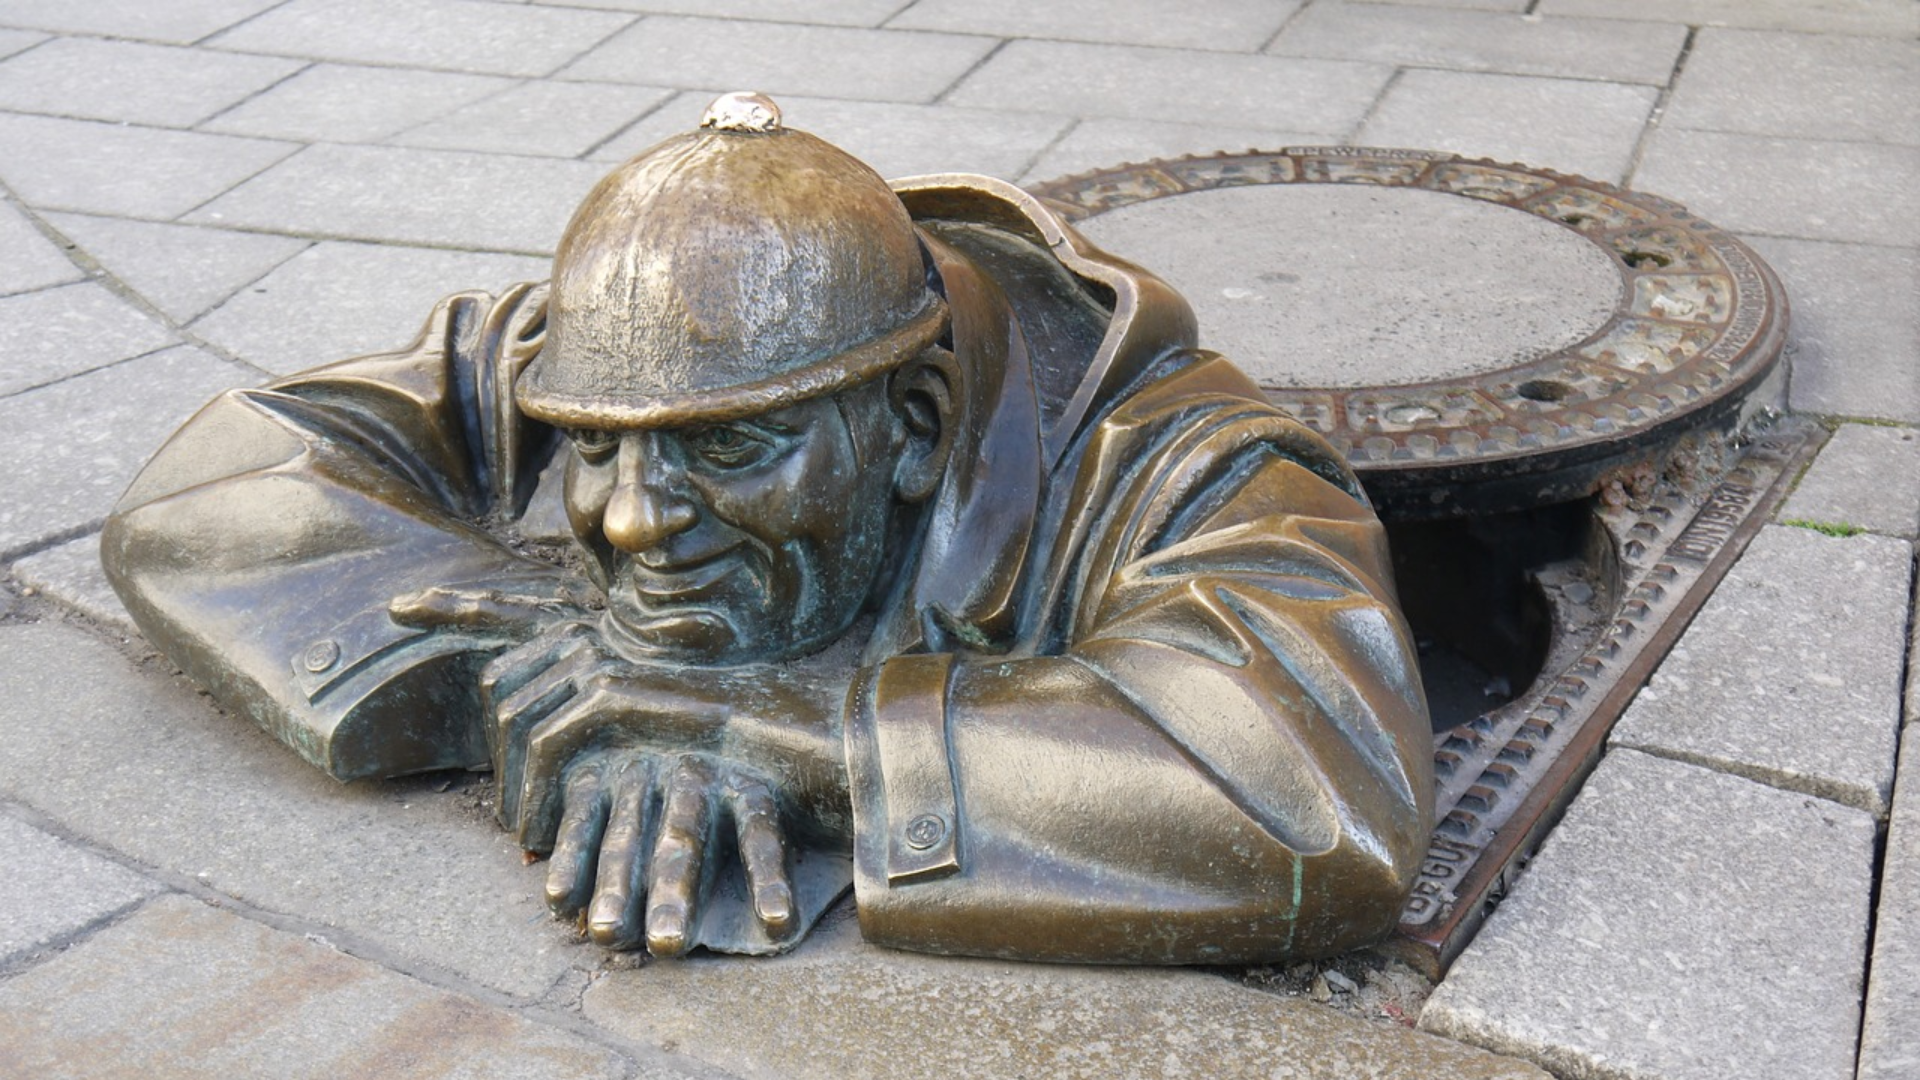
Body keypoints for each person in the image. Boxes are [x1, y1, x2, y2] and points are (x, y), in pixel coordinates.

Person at [103, 93, 1433, 964]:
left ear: (914, 424)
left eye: (727, 452)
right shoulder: (626, 346)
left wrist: (788, 734)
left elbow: (1322, 801)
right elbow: (207, 496)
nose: (628, 520)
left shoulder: (1180, 457)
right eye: (597, 448)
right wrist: (519, 683)